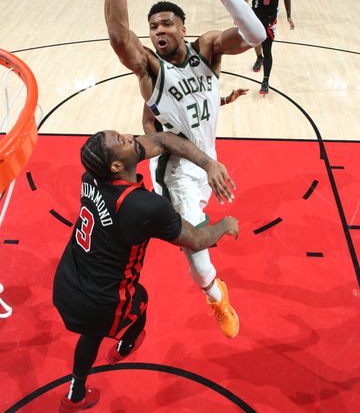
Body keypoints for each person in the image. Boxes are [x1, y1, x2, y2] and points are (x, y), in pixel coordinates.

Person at [105, 0, 266, 339]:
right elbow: (120, 35)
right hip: (176, 172)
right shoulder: (151, 68)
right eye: (153, 26)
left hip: (209, 159)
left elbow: (256, 34)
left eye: (166, 24)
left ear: (182, 26)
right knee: (195, 254)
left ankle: (211, 283)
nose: (158, 31)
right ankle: (216, 297)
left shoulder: (208, 51)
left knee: (199, 235)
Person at [54, 130, 239, 412]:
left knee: (91, 335)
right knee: (139, 304)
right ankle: (125, 345)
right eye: (122, 140)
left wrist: (208, 163)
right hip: (105, 298)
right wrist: (225, 225)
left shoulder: (90, 176)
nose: (129, 136)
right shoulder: (144, 206)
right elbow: (198, 239)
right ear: (116, 167)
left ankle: (75, 394)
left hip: (68, 279)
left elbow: (162, 140)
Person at [239, 0, 294, 95]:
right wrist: (239, 14)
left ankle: (265, 80)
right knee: (255, 41)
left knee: (267, 47)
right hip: (254, 15)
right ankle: (259, 58)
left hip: (270, 18)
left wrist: (289, 16)